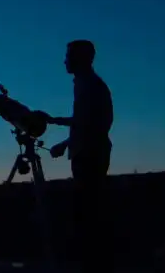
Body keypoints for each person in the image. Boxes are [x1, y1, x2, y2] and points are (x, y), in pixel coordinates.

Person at [49, 39, 114, 273]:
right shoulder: (85, 84)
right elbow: (86, 123)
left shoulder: (91, 86)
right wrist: (66, 142)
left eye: (69, 56)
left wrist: (57, 125)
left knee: (88, 216)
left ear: (82, 58)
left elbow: (91, 124)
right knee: (88, 213)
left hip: (90, 156)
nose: (65, 60)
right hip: (86, 152)